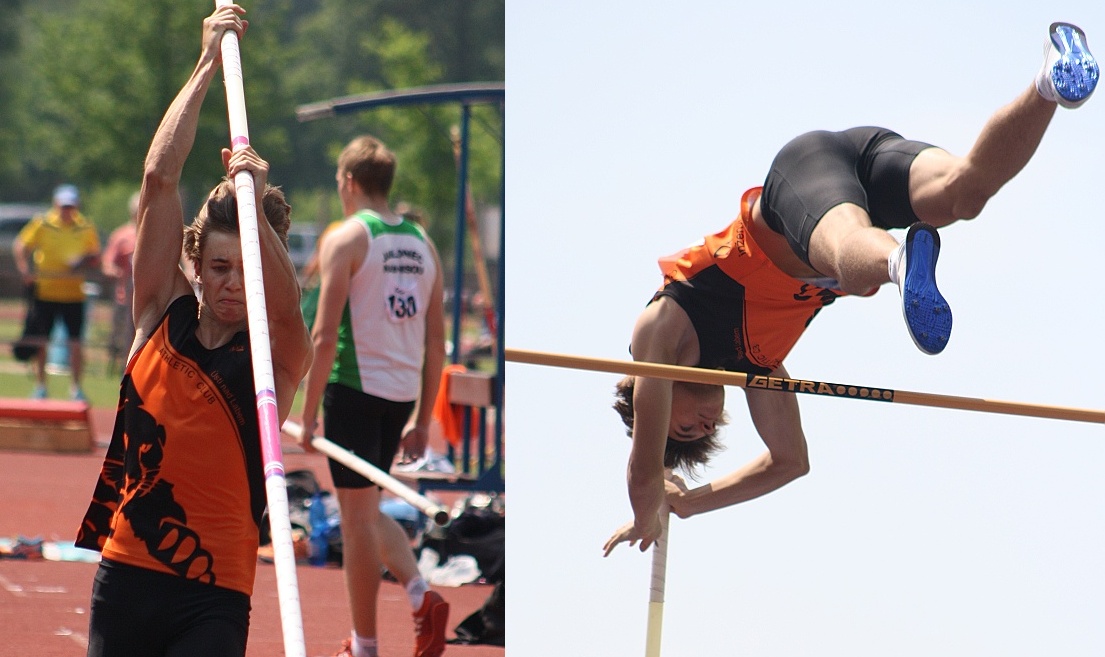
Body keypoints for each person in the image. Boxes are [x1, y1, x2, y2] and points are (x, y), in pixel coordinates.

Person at [603, 22, 1098, 556]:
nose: (703, 426)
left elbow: (642, 472)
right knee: (965, 192)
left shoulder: (664, 328)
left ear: (642, 395)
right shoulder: (760, 368)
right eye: (702, 435)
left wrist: (646, 507)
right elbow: (790, 461)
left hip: (800, 184)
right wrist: (689, 503)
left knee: (850, 260)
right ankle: (1051, 80)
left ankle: (898, 263)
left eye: (682, 431)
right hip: (860, 161)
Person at [73, 5, 312, 657]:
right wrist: (207, 61)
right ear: (196, 266)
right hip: (125, 578)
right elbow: (159, 178)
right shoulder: (158, 314)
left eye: (247, 269)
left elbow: (287, 307)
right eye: (219, 267)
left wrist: (254, 202)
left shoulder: (274, 355)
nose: (234, 282)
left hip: (214, 593)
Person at [295, 134, 448, 657]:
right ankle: (420, 594)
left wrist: (309, 414)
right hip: (400, 396)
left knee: (357, 520)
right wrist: (423, 420)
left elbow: (323, 332)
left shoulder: (348, 238)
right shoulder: (424, 245)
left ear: (349, 182)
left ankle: (365, 646)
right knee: (367, 509)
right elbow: (436, 343)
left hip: (354, 390)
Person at [12, 183, 101, 401]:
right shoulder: (43, 223)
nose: (67, 211)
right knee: (41, 341)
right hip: (46, 292)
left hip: (73, 294)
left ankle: (76, 388)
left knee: (75, 342)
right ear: (56, 205)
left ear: (76, 206)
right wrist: (25, 271)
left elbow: (96, 255)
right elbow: (21, 245)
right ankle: (41, 386)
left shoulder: (85, 226)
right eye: (63, 206)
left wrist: (84, 261)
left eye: (70, 206)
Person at [101, 191, 139, 374]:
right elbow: (108, 262)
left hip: (148, 298)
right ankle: (121, 370)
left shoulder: (158, 232)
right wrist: (116, 272)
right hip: (125, 296)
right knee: (123, 336)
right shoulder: (122, 235)